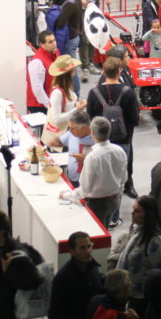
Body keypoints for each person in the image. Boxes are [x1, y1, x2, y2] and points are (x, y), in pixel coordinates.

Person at [108, 196, 161, 319]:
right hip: (132, 294)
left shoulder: (156, 241)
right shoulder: (137, 232)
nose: (132, 213)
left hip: (144, 299)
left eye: (137, 211)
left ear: (148, 214)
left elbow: (160, 272)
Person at [88, 56, 140, 201]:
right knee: (123, 166)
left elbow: (90, 117)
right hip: (124, 138)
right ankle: (125, 188)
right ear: (119, 72)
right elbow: (134, 119)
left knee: (102, 166)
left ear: (104, 72)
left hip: (101, 140)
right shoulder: (128, 92)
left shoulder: (94, 93)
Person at [60, 117, 128, 228]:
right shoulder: (119, 151)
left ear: (92, 132)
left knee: (96, 232)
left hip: (97, 204)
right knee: (105, 230)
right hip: (115, 201)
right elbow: (124, 178)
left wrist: (66, 195)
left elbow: (85, 189)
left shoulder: (92, 157)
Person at [49, 231, 103, 319]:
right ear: (72, 251)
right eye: (82, 248)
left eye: (89, 246)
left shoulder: (93, 268)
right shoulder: (63, 278)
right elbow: (54, 312)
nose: (88, 251)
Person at [41, 55, 86, 149]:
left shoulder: (66, 88)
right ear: (70, 73)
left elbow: (67, 105)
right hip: (60, 134)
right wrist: (76, 109)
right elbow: (57, 118)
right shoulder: (57, 93)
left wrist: (77, 103)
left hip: (67, 132)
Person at [51, 0, 88, 85]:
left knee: (70, 69)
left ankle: (75, 92)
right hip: (74, 37)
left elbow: (60, 24)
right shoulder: (74, 0)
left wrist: (54, 18)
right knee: (70, 67)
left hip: (69, 39)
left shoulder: (70, 4)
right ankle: (72, 91)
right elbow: (56, 2)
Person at [26, 30, 58, 114]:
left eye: (54, 40)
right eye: (50, 42)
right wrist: (49, 105)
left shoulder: (54, 52)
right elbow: (37, 89)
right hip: (40, 104)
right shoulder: (37, 62)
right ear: (42, 44)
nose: (54, 43)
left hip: (51, 99)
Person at [61, 110, 93, 186]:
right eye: (69, 128)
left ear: (84, 128)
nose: (70, 131)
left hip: (87, 182)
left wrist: (85, 159)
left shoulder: (96, 139)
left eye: (73, 129)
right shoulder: (71, 133)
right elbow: (60, 141)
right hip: (72, 178)